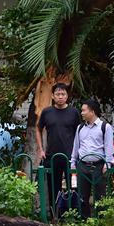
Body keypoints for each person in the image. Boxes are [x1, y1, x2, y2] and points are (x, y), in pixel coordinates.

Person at [35, 83, 80, 216]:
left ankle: (72, 215)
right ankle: (55, 215)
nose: (60, 97)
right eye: (58, 94)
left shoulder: (74, 112)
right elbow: (38, 129)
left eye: (63, 94)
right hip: (51, 156)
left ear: (67, 96)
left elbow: (80, 132)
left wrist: (79, 151)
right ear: (53, 96)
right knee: (53, 187)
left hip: (70, 157)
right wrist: (41, 149)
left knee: (73, 187)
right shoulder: (47, 112)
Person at [71, 99, 114, 219]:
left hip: (99, 165)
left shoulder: (105, 127)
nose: (82, 113)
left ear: (92, 111)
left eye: (84, 110)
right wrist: (73, 162)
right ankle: (84, 221)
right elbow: (76, 146)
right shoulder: (80, 128)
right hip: (82, 165)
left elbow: (109, 147)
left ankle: (101, 222)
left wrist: (108, 164)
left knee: (100, 196)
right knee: (82, 196)